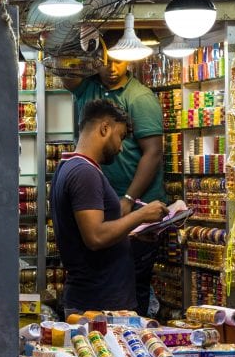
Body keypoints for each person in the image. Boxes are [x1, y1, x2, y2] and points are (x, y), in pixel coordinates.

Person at [67, 39, 166, 316]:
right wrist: (84, 41)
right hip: (108, 204)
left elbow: (153, 153)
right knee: (112, 276)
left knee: (131, 281)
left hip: (133, 202)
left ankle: (135, 336)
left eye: (119, 60)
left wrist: (129, 200)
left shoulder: (140, 98)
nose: (112, 68)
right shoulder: (90, 89)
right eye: (105, 61)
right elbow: (66, 73)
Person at [50, 100, 168, 314]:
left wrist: (131, 233)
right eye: (120, 137)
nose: (121, 147)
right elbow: (95, 237)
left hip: (97, 301)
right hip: (99, 305)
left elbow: (87, 234)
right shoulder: (84, 173)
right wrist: (141, 215)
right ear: (105, 128)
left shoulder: (69, 166)